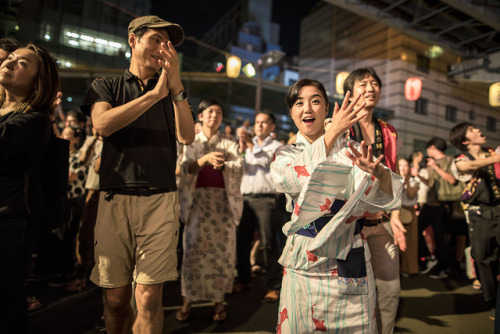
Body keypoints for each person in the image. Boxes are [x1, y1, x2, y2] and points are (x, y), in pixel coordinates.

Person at [80, 15, 194, 334]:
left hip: (159, 199)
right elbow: (102, 125)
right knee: (115, 299)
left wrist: (175, 88)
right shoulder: (107, 86)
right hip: (114, 197)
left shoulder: (173, 92)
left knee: (147, 298)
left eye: (168, 43)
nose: (163, 48)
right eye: (156, 40)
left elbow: (187, 136)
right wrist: (154, 95)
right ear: (133, 40)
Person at [271, 78, 402, 333]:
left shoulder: (351, 150)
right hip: (305, 258)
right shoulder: (285, 153)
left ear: (328, 109)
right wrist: (332, 134)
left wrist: (381, 175)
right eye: (299, 103)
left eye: (315, 101)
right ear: (291, 113)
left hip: (348, 253)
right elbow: (292, 181)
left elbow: (383, 196)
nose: (307, 109)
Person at [0, 43, 59, 334]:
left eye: (21, 63)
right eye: (9, 58)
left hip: (10, 221)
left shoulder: (35, 120)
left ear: (39, 80)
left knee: (5, 303)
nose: (9, 63)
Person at [343, 67, 406, 334]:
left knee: (390, 287)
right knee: (351, 291)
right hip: (347, 226)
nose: (370, 88)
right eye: (363, 84)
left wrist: (397, 217)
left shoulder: (388, 131)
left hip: (381, 222)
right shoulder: (339, 126)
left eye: (374, 83)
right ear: (350, 92)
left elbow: (396, 176)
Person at [177, 98, 243, 321]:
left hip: (222, 204)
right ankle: (187, 300)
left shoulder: (229, 142)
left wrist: (224, 165)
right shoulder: (191, 142)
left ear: (222, 118)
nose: (214, 116)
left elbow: (238, 167)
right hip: (198, 203)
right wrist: (204, 158)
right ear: (201, 116)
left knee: (222, 254)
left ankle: (218, 301)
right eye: (210, 112)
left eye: (218, 112)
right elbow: (186, 168)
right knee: (192, 251)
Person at [449, 122, 500, 321]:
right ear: (464, 141)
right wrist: (495, 158)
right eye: (472, 130)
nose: (479, 130)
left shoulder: (492, 153)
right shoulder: (461, 160)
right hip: (481, 216)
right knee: (483, 258)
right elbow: (467, 167)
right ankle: (493, 300)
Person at [234, 111, 284, 302]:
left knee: (269, 243)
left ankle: (274, 286)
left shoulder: (277, 147)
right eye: (257, 122)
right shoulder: (248, 146)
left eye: (264, 123)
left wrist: (249, 145)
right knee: (243, 241)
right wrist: (243, 147)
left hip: (267, 199)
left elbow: (265, 162)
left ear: (272, 127)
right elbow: (240, 166)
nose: (260, 126)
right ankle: (243, 279)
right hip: (246, 198)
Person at [417, 137, 457, 279]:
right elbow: (430, 184)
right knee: (416, 228)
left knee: (441, 238)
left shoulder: (450, 160)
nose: (427, 152)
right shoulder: (431, 163)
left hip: (442, 205)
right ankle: (428, 258)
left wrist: (435, 167)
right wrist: (419, 177)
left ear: (433, 148)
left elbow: (452, 180)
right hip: (430, 204)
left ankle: (443, 268)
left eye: (428, 149)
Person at [398, 157, 420, 276]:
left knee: (410, 242)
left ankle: (409, 268)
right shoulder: (393, 179)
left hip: (409, 213)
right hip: (395, 212)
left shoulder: (413, 181)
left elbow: (411, 195)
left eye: (406, 166)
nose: (403, 168)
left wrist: (405, 180)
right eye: (401, 165)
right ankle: (397, 268)